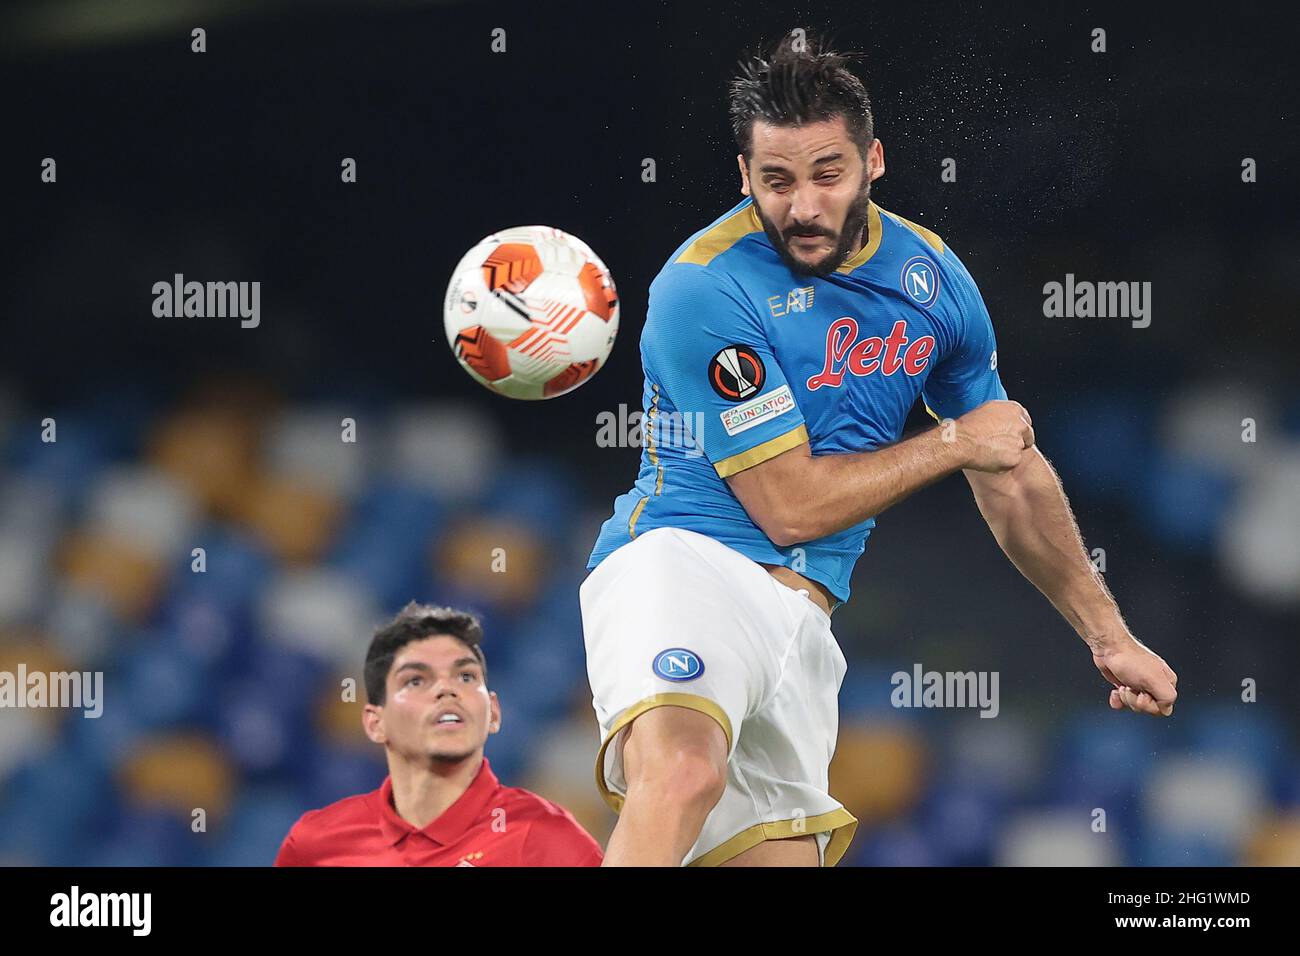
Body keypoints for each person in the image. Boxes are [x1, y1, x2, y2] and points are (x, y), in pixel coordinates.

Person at [580, 31, 1178, 868]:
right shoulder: (703, 286)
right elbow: (788, 507)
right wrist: (954, 441)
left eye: (829, 174)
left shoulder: (934, 279)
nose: (805, 206)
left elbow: (1009, 467)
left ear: (874, 162)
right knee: (680, 775)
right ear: (744, 176)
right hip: (685, 562)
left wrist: (1108, 637)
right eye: (777, 180)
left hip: (805, 625)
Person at [275, 603, 603, 866]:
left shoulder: (544, 838)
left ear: (493, 713)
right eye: (416, 681)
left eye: (464, 677)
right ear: (376, 722)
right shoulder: (317, 842)